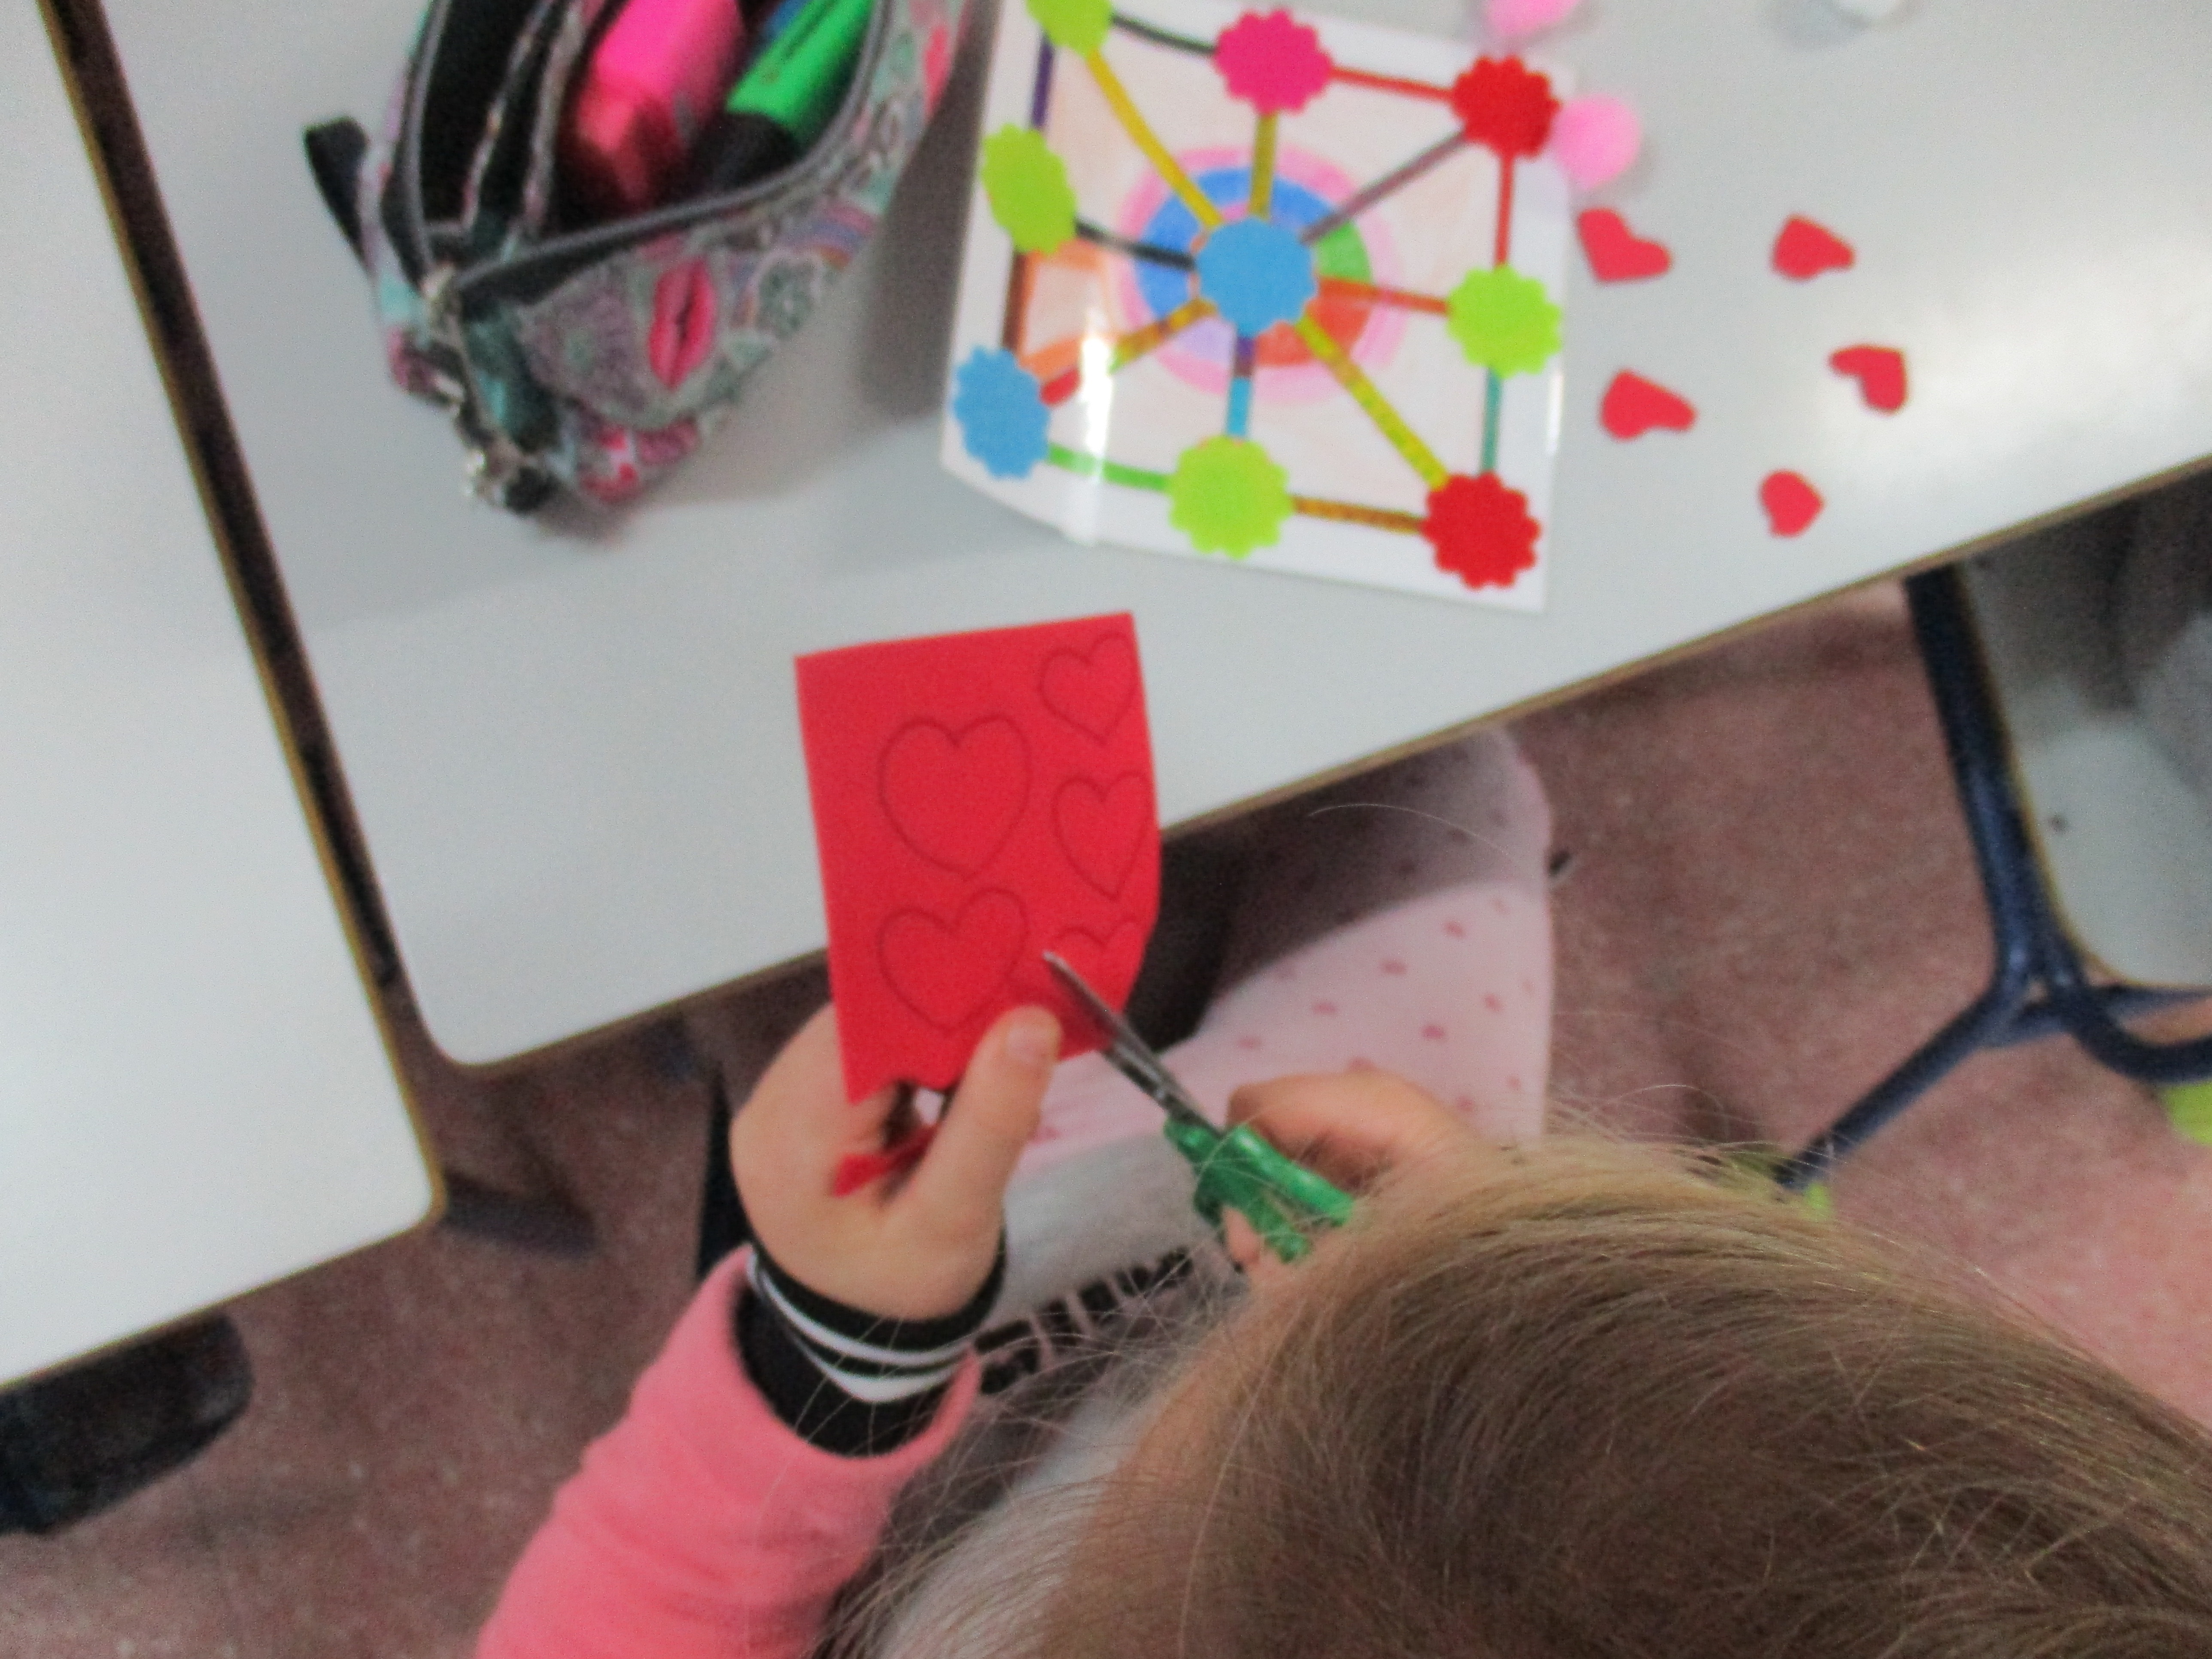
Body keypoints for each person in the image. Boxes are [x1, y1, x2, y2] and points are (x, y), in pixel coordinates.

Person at [477, 736, 2212, 1659]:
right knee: (1453, 785)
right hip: (1351, 1200)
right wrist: (1489, 1263)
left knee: (775, 953)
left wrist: (828, 1355)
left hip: (875, 1399)